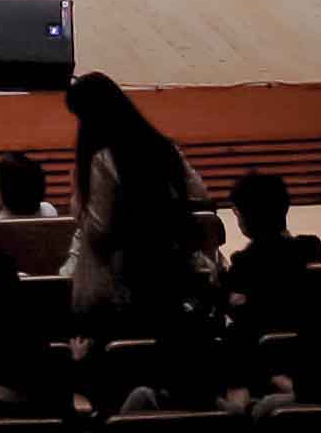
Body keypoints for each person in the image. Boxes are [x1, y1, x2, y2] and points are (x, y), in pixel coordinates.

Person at [61, 72, 217, 333]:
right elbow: (200, 195)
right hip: (171, 277)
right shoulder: (164, 148)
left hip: (118, 289)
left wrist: (78, 198)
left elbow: (99, 231)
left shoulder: (102, 159)